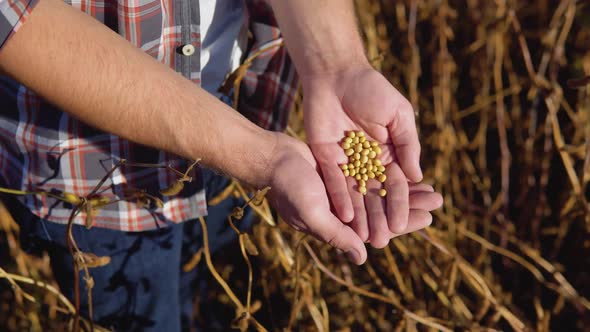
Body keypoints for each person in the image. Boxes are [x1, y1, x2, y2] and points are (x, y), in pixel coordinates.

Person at [0, 0, 442, 330]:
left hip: (247, 107)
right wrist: (259, 155)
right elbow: (15, 17)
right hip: (102, 179)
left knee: (203, 272)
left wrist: (337, 64)